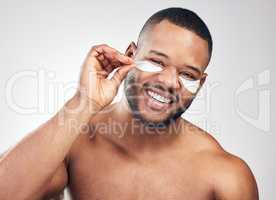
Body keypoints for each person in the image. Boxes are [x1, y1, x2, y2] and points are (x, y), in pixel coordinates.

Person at [0, 7, 259, 200]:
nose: (169, 81)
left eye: (187, 75)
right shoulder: (75, 143)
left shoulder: (225, 175)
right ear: (131, 55)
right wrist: (84, 102)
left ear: (200, 84)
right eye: (156, 61)